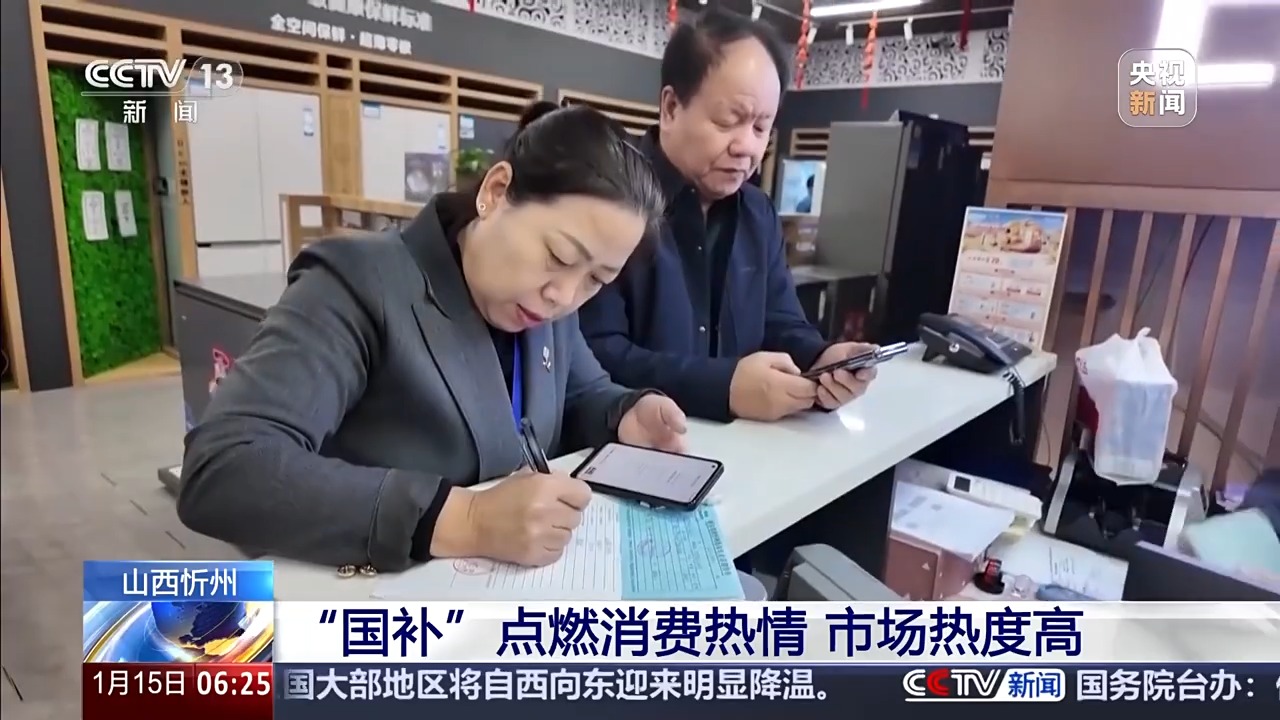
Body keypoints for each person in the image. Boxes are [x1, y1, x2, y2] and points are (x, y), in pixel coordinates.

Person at [178, 102, 688, 573]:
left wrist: (624, 413)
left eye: (596, 279)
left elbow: (577, 394)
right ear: (495, 193)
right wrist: (464, 520)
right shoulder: (357, 283)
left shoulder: (548, 305)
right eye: (558, 255)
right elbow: (225, 466)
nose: (565, 295)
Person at [579, 10, 878, 424]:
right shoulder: (609, 198)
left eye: (761, 128)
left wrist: (821, 360)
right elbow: (593, 354)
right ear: (671, 107)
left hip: (748, 447)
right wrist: (723, 387)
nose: (747, 147)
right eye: (728, 121)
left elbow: (780, 321)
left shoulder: (758, 213)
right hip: (635, 444)